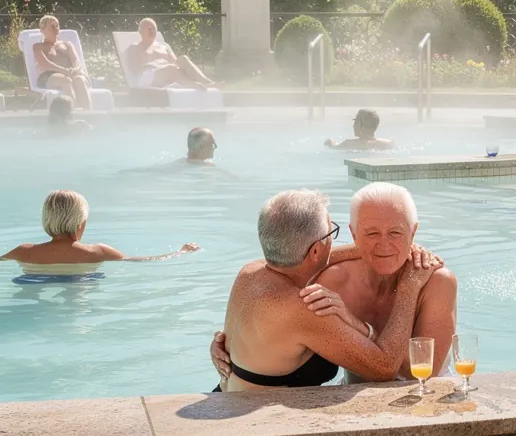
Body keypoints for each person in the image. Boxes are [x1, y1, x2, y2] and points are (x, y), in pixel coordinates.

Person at [211, 185, 457, 387]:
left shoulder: (249, 272)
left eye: (396, 232)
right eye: (333, 232)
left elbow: (308, 256)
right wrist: (409, 287)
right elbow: (384, 368)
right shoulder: (307, 307)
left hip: (228, 397)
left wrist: (383, 247)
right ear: (317, 250)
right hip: (261, 425)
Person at [0, 190, 200, 270]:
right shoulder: (97, 252)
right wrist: (180, 252)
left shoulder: (23, 252)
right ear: (80, 224)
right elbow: (145, 260)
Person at [126, 18, 217, 90]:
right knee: (171, 68)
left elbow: (176, 63)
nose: (152, 31)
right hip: (146, 77)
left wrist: (169, 66)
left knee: (183, 59)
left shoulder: (164, 46)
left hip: (168, 71)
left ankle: (208, 83)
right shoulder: (134, 47)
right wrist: (155, 65)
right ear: (141, 32)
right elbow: (133, 68)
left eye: (154, 29)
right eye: (149, 29)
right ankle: (192, 85)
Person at [33, 15, 92, 109]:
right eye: (52, 26)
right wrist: (64, 71)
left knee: (80, 80)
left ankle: (89, 113)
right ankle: (74, 112)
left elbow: (76, 62)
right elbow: (45, 64)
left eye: (57, 26)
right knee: (66, 80)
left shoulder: (67, 45)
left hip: (70, 73)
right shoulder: (38, 46)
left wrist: (74, 70)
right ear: (42, 29)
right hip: (49, 76)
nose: (56, 29)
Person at [325, 109, 394, 151]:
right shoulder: (388, 143)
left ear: (362, 127)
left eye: (355, 122)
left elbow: (334, 147)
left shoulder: (349, 144)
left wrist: (330, 143)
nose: (353, 126)